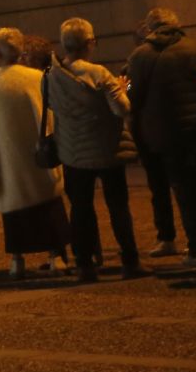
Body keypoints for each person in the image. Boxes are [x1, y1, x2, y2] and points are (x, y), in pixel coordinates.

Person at [127, 8, 196, 263]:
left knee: (184, 190)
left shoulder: (140, 56)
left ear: (150, 28)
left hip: (166, 133)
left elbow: (134, 98)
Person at [46, 17, 146, 283]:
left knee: (80, 208)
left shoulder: (52, 76)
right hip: (106, 149)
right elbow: (122, 107)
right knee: (117, 206)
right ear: (89, 43)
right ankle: (130, 259)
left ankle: (85, 264)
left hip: (73, 152)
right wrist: (125, 87)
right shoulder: (99, 73)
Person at [0, 28, 71, 279]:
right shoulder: (35, 78)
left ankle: (17, 259)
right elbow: (49, 115)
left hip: (7, 160)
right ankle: (56, 255)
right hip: (38, 156)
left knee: (14, 213)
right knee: (48, 206)